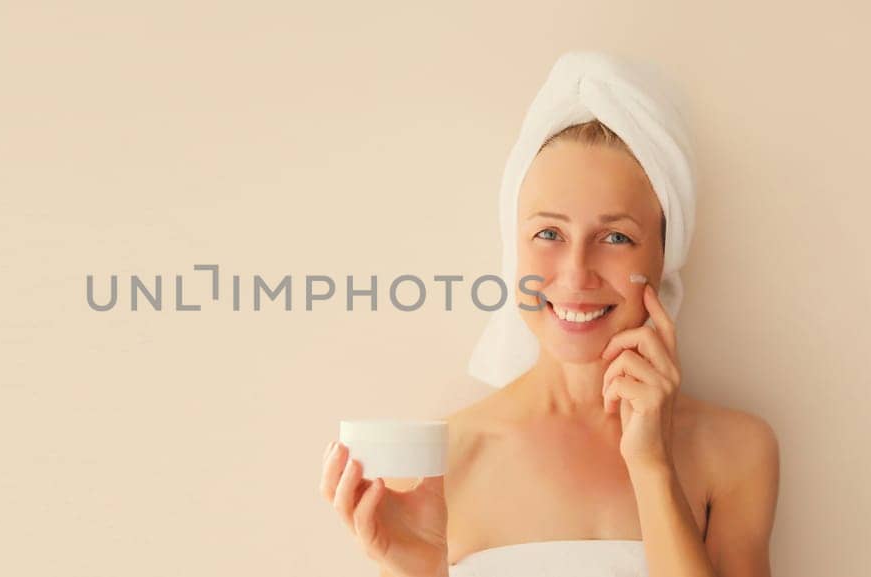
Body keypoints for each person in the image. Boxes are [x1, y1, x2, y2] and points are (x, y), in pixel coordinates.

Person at [318, 53, 780, 577]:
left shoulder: (736, 451)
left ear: (665, 255)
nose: (577, 273)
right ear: (512, 249)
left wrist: (652, 467)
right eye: (548, 234)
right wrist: (418, 568)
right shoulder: (439, 462)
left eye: (616, 237)